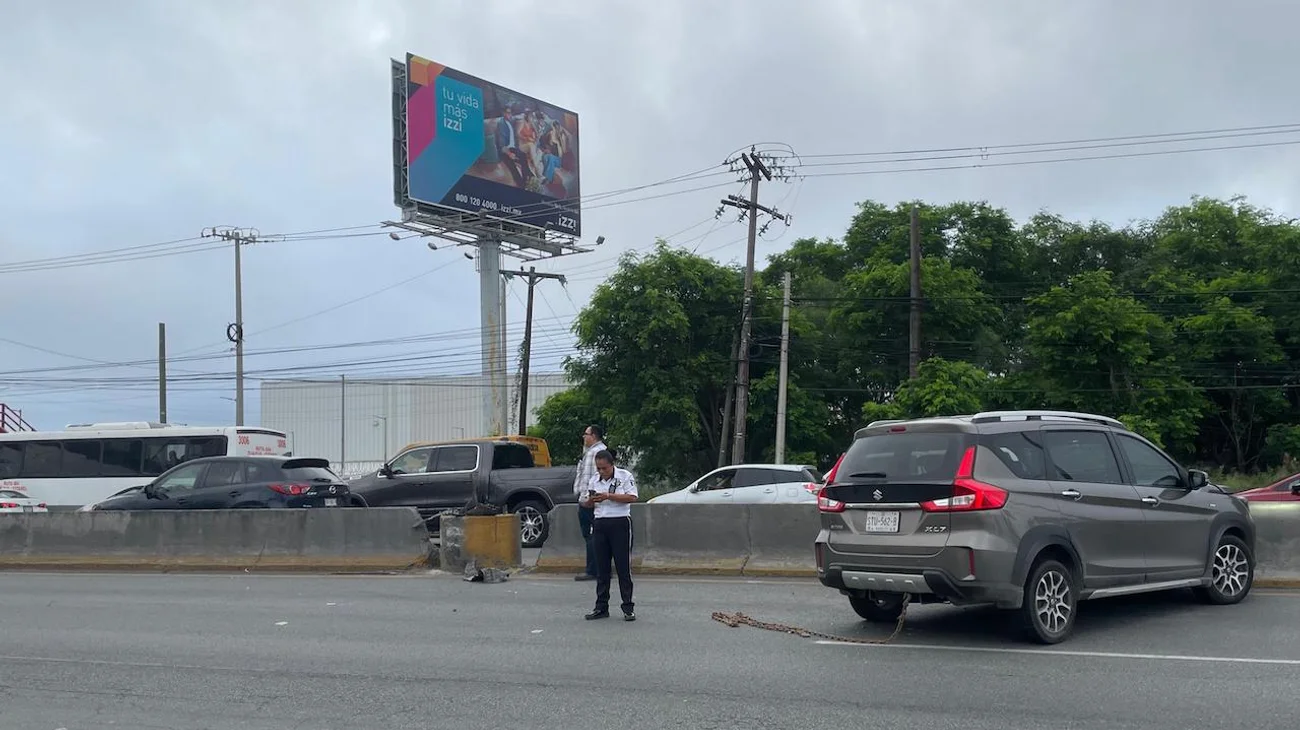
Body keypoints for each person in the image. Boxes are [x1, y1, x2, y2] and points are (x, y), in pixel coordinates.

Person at [581, 449, 638, 621]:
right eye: (598, 468)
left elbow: (632, 497)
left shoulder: (624, 476)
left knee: (623, 567)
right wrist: (591, 500)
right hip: (600, 522)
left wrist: (609, 496)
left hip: (620, 521)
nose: (601, 471)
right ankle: (601, 607)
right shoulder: (594, 480)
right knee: (602, 568)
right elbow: (587, 504)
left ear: (612, 465)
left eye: (604, 468)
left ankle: (628, 607)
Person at [572, 425, 606, 581]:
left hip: (589, 503)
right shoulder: (597, 451)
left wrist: (588, 500)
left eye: (586, 434)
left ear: (594, 436)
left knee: (591, 536)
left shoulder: (594, 453)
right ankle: (601, 569)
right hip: (593, 501)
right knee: (596, 537)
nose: (583, 437)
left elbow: (593, 479)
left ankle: (593, 570)